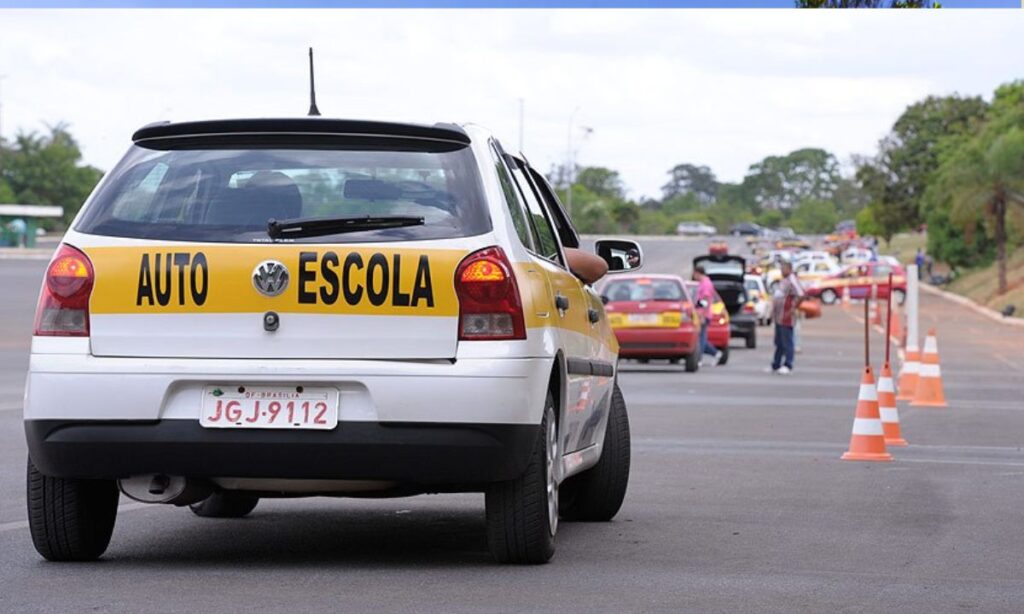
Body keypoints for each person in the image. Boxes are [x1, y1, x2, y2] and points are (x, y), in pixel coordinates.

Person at [769, 259, 805, 375]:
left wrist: (793, 308)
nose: (781, 270)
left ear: (789, 269)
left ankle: (788, 364)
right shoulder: (783, 281)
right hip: (779, 316)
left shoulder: (792, 280)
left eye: (783, 268)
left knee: (787, 341)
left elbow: (801, 294)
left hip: (786, 316)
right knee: (779, 341)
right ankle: (776, 364)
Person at [692, 265, 723, 366]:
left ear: (697, 273)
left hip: (703, 315)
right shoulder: (703, 283)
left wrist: (703, 316)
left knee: (701, 338)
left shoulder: (706, 283)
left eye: (694, 273)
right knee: (701, 338)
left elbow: (706, 300)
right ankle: (716, 353)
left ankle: (699, 359)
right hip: (700, 314)